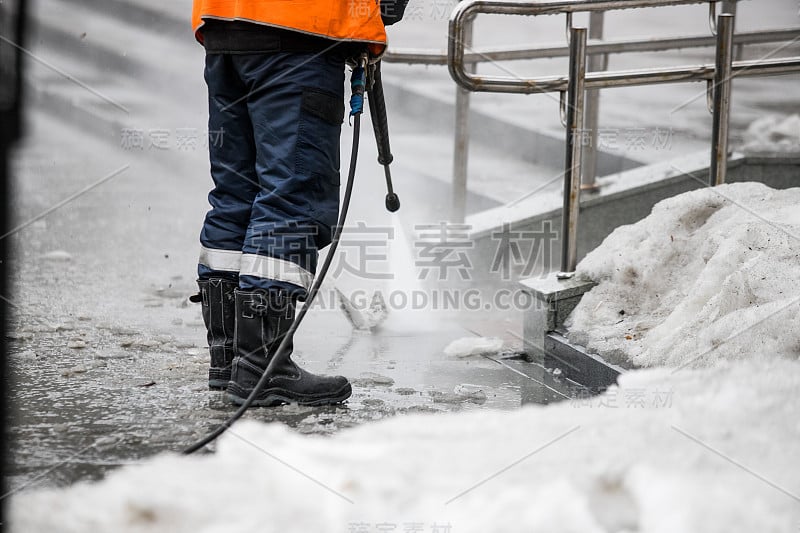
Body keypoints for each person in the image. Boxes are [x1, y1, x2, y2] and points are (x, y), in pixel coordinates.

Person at [189, 1, 407, 407]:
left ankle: (230, 360)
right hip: (300, 32)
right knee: (290, 199)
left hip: (224, 23)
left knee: (237, 193)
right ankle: (261, 367)